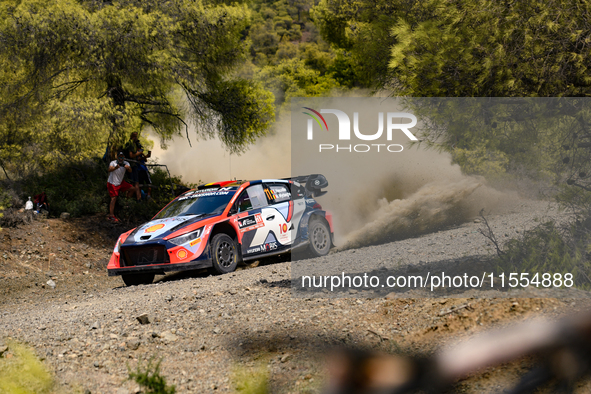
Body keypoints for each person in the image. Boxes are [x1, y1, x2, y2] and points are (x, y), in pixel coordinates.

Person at [107, 152, 140, 222]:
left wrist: (128, 168)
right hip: (112, 183)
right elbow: (109, 169)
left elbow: (130, 170)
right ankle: (111, 215)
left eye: (122, 157)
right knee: (113, 199)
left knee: (133, 189)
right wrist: (115, 167)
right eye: (119, 157)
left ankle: (126, 203)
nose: (121, 159)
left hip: (120, 182)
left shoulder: (126, 163)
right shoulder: (113, 163)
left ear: (124, 158)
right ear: (117, 157)